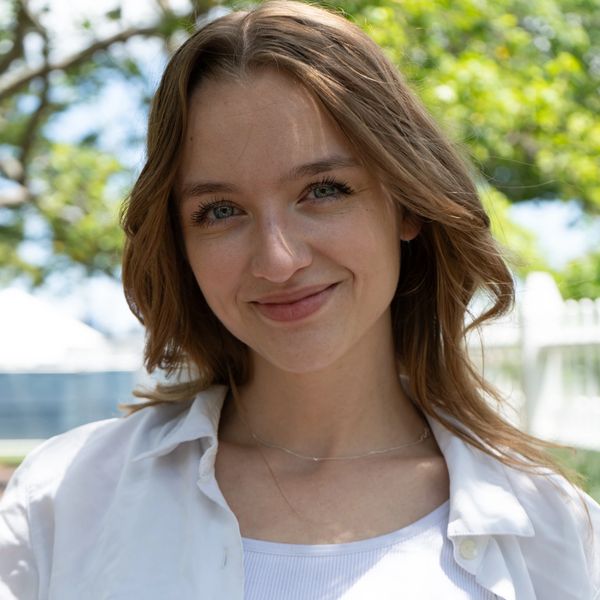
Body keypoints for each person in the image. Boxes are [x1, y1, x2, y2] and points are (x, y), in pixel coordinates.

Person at [1, 1, 599, 598]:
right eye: (220, 211)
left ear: (407, 202)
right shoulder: (62, 503)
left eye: (323, 190)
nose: (278, 260)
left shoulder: (553, 531)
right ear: (180, 241)